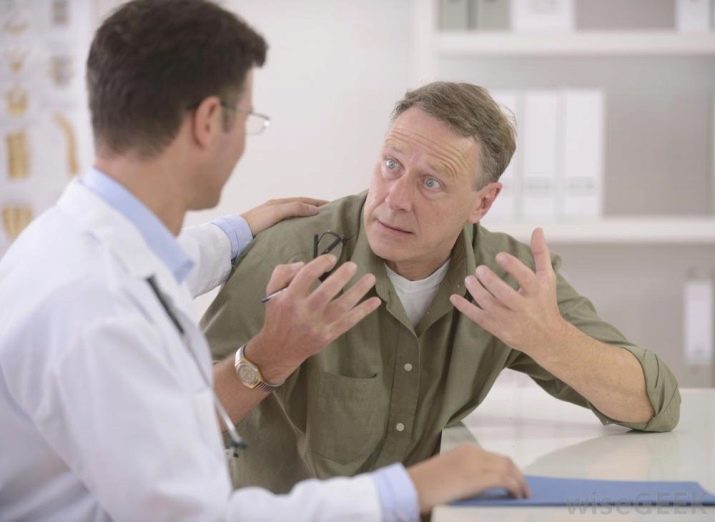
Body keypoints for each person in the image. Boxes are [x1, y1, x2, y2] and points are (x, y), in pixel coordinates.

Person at [0, 1, 531, 521]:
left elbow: (165, 271)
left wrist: (238, 231)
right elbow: (193, 514)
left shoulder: (62, 244)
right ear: (210, 121)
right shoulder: (100, 308)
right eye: (248, 119)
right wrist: (406, 490)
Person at [203, 81, 682, 493]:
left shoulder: (508, 278)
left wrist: (548, 339)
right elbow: (178, 422)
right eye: (391, 165)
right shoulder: (289, 257)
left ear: (483, 203)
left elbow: (654, 404)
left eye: (430, 183)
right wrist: (269, 356)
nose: (395, 199)